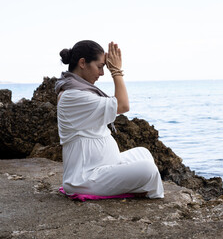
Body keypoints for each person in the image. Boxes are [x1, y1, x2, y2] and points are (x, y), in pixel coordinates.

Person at [55, 40, 164, 199]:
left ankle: (139, 188)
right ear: (83, 63)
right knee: (149, 170)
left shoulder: (79, 90)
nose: (102, 73)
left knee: (144, 153)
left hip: (104, 166)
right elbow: (122, 105)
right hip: (86, 177)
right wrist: (116, 71)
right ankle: (146, 192)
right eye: (99, 67)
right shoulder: (73, 95)